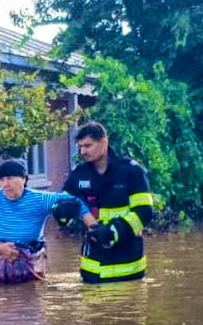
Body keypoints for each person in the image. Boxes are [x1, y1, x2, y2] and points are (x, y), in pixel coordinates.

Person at [0, 159, 94, 285]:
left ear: (24, 179)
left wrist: (92, 226)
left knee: (31, 293)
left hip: (30, 258)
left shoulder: (40, 199)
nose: (6, 184)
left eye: (10, 178)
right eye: (2, 180)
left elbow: (76, 202)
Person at [63, 122, 155, 284]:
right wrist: (62, 213)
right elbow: (64, 205)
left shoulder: (131, 171)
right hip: (92, 271)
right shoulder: (79, 174)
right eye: (80, 147)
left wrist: (114, 231)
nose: (83, 151)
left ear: (104, 142)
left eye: (88, 146)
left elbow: (144, 211)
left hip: (128, 268)